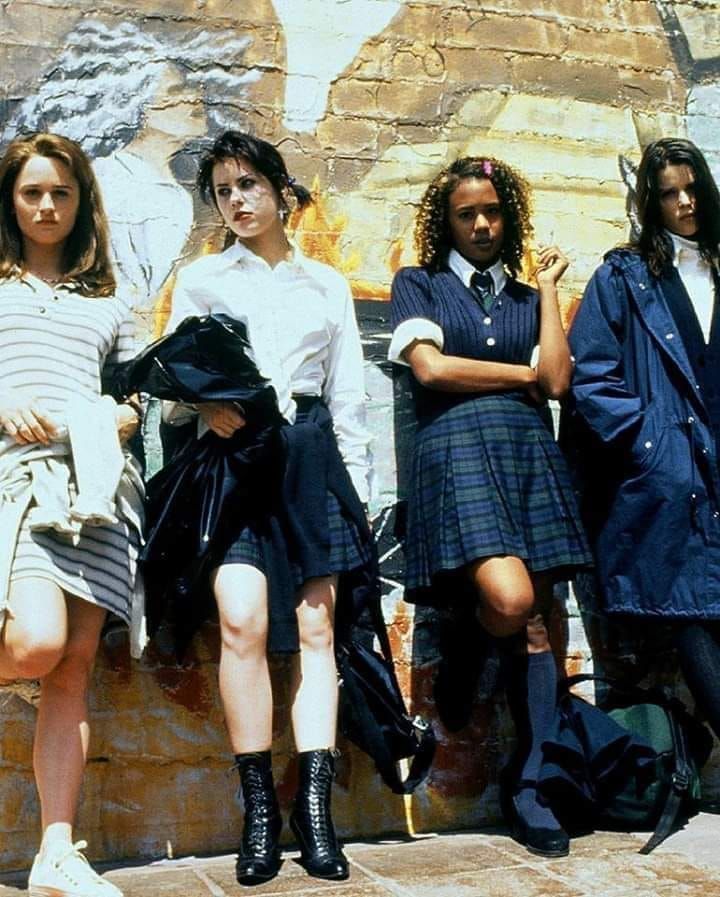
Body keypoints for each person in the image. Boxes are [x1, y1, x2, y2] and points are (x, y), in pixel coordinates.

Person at [162, 130, 372, 885]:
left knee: (316, 629)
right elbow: (173, 385)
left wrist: (362, 496)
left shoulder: (327, 284)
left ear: (282, 190)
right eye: (223, 190)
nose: (238, 200)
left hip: (310, 461)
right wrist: (201, 404)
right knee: (243, 622)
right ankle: (259, 816)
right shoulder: (203, 280)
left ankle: (314, 817)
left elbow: (349, 396)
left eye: (249, 183)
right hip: (233, 464)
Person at [389, 156, 591, 857]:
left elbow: (559, 381)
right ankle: (472, 638)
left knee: (540, 618)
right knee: (509, 599)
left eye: (492, 212)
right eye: (466, 213)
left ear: (508, 217)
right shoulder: (421, 283)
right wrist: (520, 375)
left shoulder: (522, 296)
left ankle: (530, 786)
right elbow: (431, 370)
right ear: (445, 221)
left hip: (527, 453)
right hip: (457, 453)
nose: (480, 223)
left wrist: (547, 291)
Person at [0, 132, 145, 897]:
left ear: (82, 201)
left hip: (95, 491)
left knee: (71, 670)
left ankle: (55, 853)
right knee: (34, 642)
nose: (48, 206)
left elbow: (136, 396)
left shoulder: (110, 299)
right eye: (32, 193)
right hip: (18, 485)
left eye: (61, 192)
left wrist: (117, 417)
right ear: (10, 201)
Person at [567, 137, 720, 739]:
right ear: (650, 205)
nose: (684, 203)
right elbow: (592, 374)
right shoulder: (626, 277)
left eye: (691, 188)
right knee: (690, 614)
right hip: (672, 471)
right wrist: (649, 443)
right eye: (668, 194)